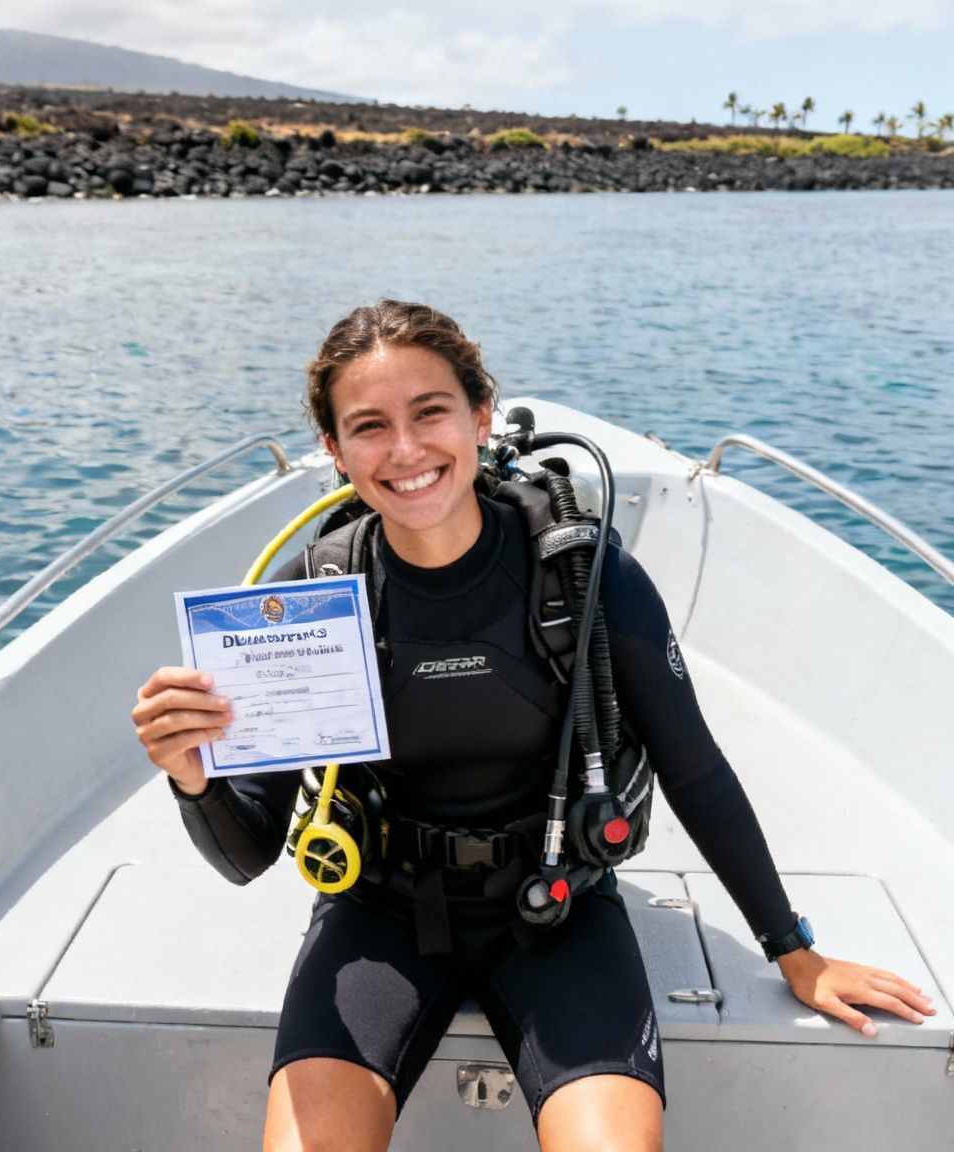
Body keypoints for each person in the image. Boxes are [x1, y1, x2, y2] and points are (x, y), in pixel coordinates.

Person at [129, 301, 936, 1151]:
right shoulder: (311, 597)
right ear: (334, 450)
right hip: (380, 914)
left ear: (480, 415)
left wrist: (793, 951)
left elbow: (693, 767)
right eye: (368, 426)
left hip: (557, 908)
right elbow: (247, 851)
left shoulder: (584, 574)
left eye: (431, 412)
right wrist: (194, 774)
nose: (405, 451)